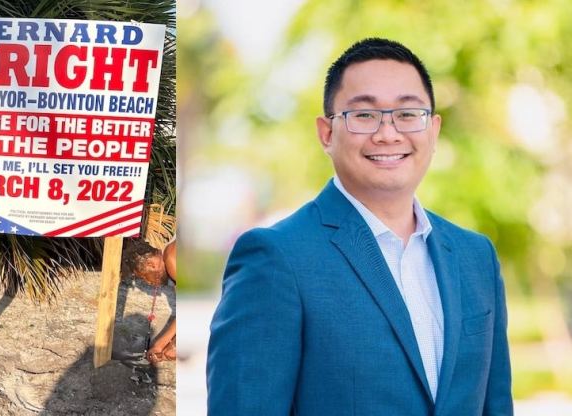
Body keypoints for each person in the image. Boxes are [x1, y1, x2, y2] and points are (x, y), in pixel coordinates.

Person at [207, 38, 512, 415]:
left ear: (433, 129)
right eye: (364, 115)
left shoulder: (476, 256)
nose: (388, 133)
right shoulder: (276, 257)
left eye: (407, 113)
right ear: (326, 133)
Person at [126, 239, 176, 364]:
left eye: (143, 276)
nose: (148, 283)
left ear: (151, 264)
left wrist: (161, 344)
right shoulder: (171, 256)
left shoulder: (172, 260)